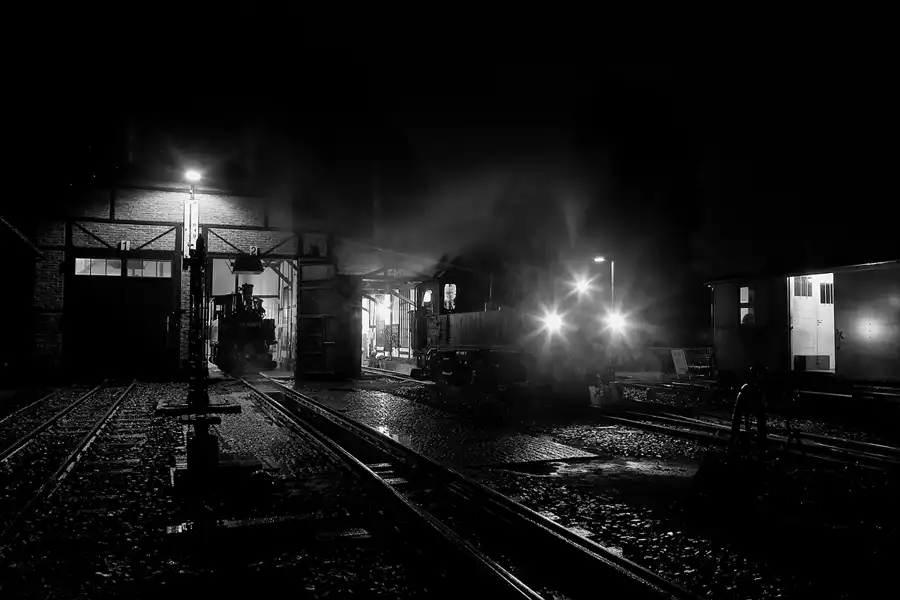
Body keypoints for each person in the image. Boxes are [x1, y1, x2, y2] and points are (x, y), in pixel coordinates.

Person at [731, 362, 768, 450]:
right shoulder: (752, 388)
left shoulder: (747, 387)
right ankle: (760, 438)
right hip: (750, 401)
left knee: (738, 415)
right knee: (760, 417)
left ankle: (738, 436)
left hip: (747, 402)